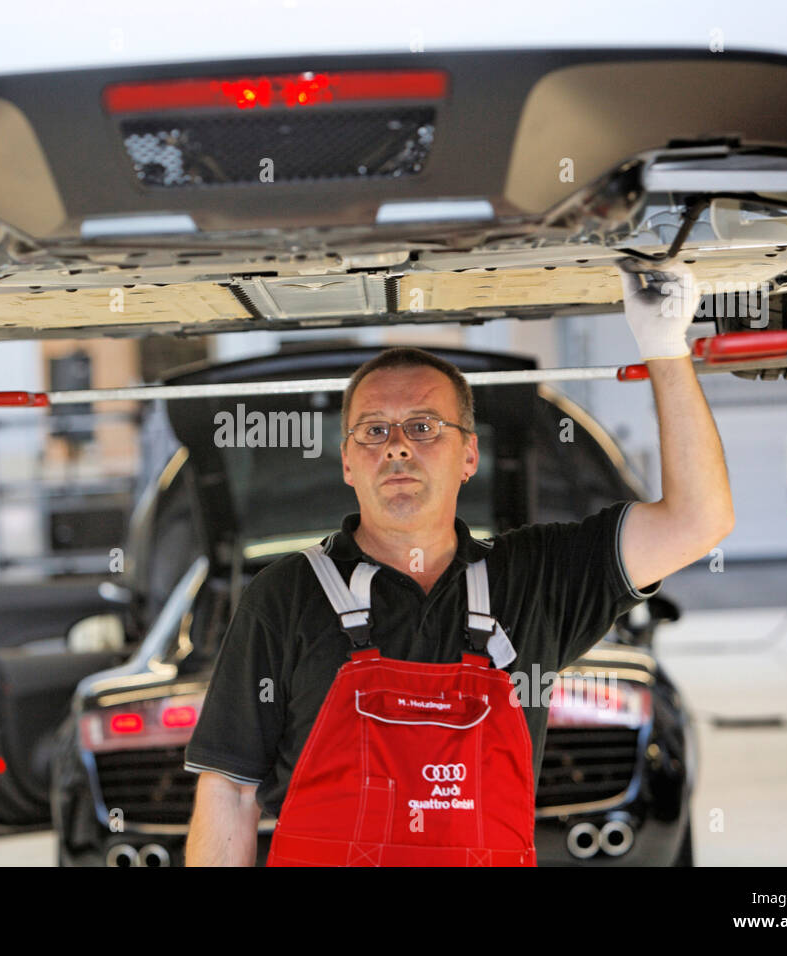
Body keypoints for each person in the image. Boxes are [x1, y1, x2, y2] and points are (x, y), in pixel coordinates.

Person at [183, 260, 735, 866]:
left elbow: (697, 522)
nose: (396, 446)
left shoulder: (534, 579)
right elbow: (230, 791)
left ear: (469, 454)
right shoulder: (283, 596)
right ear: (346, 463)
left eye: (422, 427)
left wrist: (664, 345)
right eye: (372, 431)